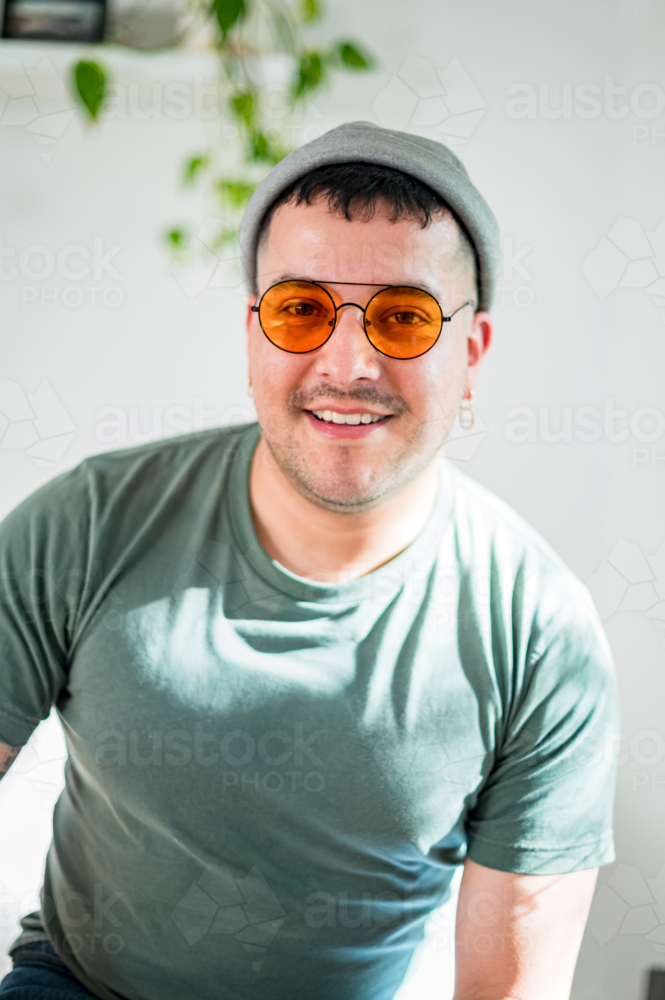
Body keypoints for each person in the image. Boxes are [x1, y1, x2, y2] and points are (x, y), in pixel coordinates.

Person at [0, 121, 618, 1000]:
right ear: (253, 335)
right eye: (301, 310)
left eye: (404, 319)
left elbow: (510, 989)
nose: (349, 362)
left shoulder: (540, 634)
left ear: (470, 354)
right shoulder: (86, 524)